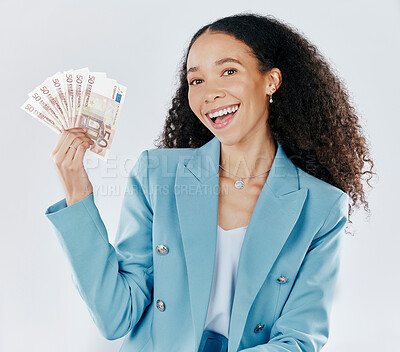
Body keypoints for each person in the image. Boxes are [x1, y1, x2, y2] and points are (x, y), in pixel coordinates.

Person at [45, 12, 375, 352]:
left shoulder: (320, 206)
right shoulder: (156, 175)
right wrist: (77, 192)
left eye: (228, 71)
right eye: (196, 81)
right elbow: (116, 317)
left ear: (271, 81)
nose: (209, 93)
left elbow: (299, 338)